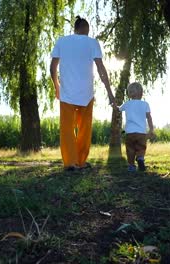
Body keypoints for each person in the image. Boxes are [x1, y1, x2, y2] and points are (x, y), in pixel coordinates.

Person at [50, 16, 115, 171]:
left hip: (67, 94)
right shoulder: (92, 42)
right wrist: (109, 92)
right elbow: (101, 69)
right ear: (85, 28)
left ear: (75, 28)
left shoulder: (62, 41)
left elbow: (52, 67)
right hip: (86, 93)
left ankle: (70, 162)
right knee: (84, 129)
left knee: (67, 129)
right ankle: (80, 161)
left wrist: (57, 86)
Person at [113, 82, 154, 172]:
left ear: (129, 94)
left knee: (130, 149)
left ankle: (131, 166)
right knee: (141, 147)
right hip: (141, 133)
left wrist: (114, 105)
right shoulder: (145, 104)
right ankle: (140, 158)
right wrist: (151, 129)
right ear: (141, 93)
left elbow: (118, 109)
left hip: (130, 133)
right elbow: (149, 117)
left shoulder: (127, 104)